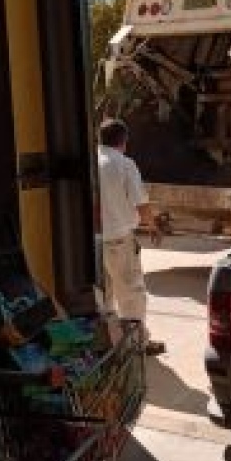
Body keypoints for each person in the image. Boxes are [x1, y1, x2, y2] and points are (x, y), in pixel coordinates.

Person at [98, 118, 166, 356]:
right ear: (123, 141)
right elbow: (141, 204)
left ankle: (109, 342)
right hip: (119, 239)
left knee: (104, 295)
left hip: (95, 242)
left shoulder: (92, 161)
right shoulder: (124, 165)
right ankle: (138, 343)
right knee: (131, 294)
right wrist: (153, 227)